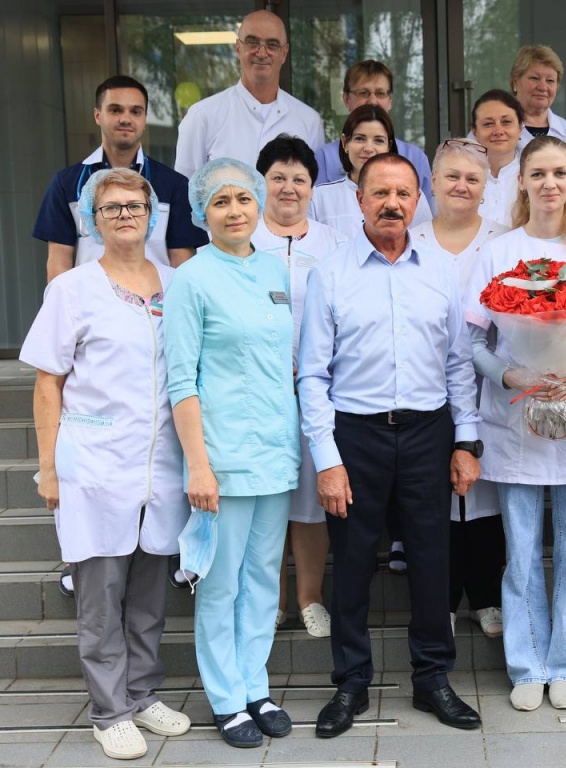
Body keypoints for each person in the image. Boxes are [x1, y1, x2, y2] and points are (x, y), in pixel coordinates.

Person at [297, 153, 483, 738]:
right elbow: (312, 376)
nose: (392, 205)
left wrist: (466, 439)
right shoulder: (330, 273)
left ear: (416, 200)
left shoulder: (439, 273)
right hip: (357, 435)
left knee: (431, 559)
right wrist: (327, 460)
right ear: (359, 200)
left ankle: (432, 679)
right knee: (352, 562)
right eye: (380, 193)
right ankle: (351, 682)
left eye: (403, 194)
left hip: (429, 433)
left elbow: (457, 363)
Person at [20, 168, 192, 760]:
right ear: (94, 221)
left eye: (134, 205)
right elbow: (48, 383)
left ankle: (142, 695)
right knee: (100, 598)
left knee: (148, 597)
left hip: (162, 468)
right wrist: (49, 466)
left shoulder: (177, 285)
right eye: (111, 208)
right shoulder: (72, 289)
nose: (124, 215)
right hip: (94, 464)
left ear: (152, 215)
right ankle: (109, 710)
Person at [464, 135, 566, 712]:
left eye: (561, 172)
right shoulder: (498, 251)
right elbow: (473, 341)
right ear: (523, 181)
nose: (550, 183)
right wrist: (510, 377)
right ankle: (527, 664)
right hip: (515, 419)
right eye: (540, 173)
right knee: (523, 547)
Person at [163, 158, 300, 748]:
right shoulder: (192, 279)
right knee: (220, 585)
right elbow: (182, 381)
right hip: (222, 458)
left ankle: (254, 685)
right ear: (202, 212)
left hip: (275, 452)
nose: (235, 210)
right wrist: (198, 464)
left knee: (265, 580)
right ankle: (225, 697)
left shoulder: (276, 270)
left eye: (244, 198)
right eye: (221, 201)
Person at [410, 138, 508, 638]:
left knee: (486, 494)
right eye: (451, 176)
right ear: (432, 183)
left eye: (472, 178)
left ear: (486, 187)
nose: (461, 186)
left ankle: (486, 596)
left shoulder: (503, 241)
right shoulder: (411, 239)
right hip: (425, 385)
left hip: (491, 384)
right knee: (437, 498)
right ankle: (443, 599)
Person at [253, 134, 346, 639]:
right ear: (262, 183)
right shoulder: (243, 239)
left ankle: (310, 596)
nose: (289, 188)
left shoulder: (333, 243)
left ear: (313, 187)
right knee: (269, 497)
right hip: (258, 392)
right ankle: (273, 600)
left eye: (300, 179)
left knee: (312, 499)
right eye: (278, 178)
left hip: (317, 389)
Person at [33, 75, 206, 283]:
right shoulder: (66, 184)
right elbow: (59, 262)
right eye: (115, 110)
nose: (125, 119)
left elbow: (182, 264)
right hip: (90, 306)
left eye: (135, 111)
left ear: (144, 119)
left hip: (154, 308)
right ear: (97, 115)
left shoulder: (174, 185)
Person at [174, 10, 324, 175]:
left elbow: (313, 193)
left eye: (272, 45)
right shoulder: (202, 116)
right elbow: (185, 192)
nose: (261, 53)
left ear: (284, 53)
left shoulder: (309, 121)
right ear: (238, 48)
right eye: (252, 42)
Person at [314, 60, 434, 209]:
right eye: (363, 93)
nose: (372, 101)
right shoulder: (325, 158)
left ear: (390, 100)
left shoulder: (415, 157)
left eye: (380, 93)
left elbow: (427, 220)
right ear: (346, 99)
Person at [309, 104, 431, 238]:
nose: (368, 148)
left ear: (389, 146)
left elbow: (422, 246)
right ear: (345, 143)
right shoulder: (319, 198)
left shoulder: (410, 196)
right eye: (360, 139)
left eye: (378, 140)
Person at [470, 90, 524, 227]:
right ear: (475, 132)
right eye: (488, 124)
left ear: (520, 129)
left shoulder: (534, 176)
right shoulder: (461, 178)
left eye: (506, 122)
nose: (498, 131)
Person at [509, 44, 566, 151]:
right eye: (534, 78)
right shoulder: (493, 128)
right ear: (515, 82)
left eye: (550, 81)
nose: (543, 87)